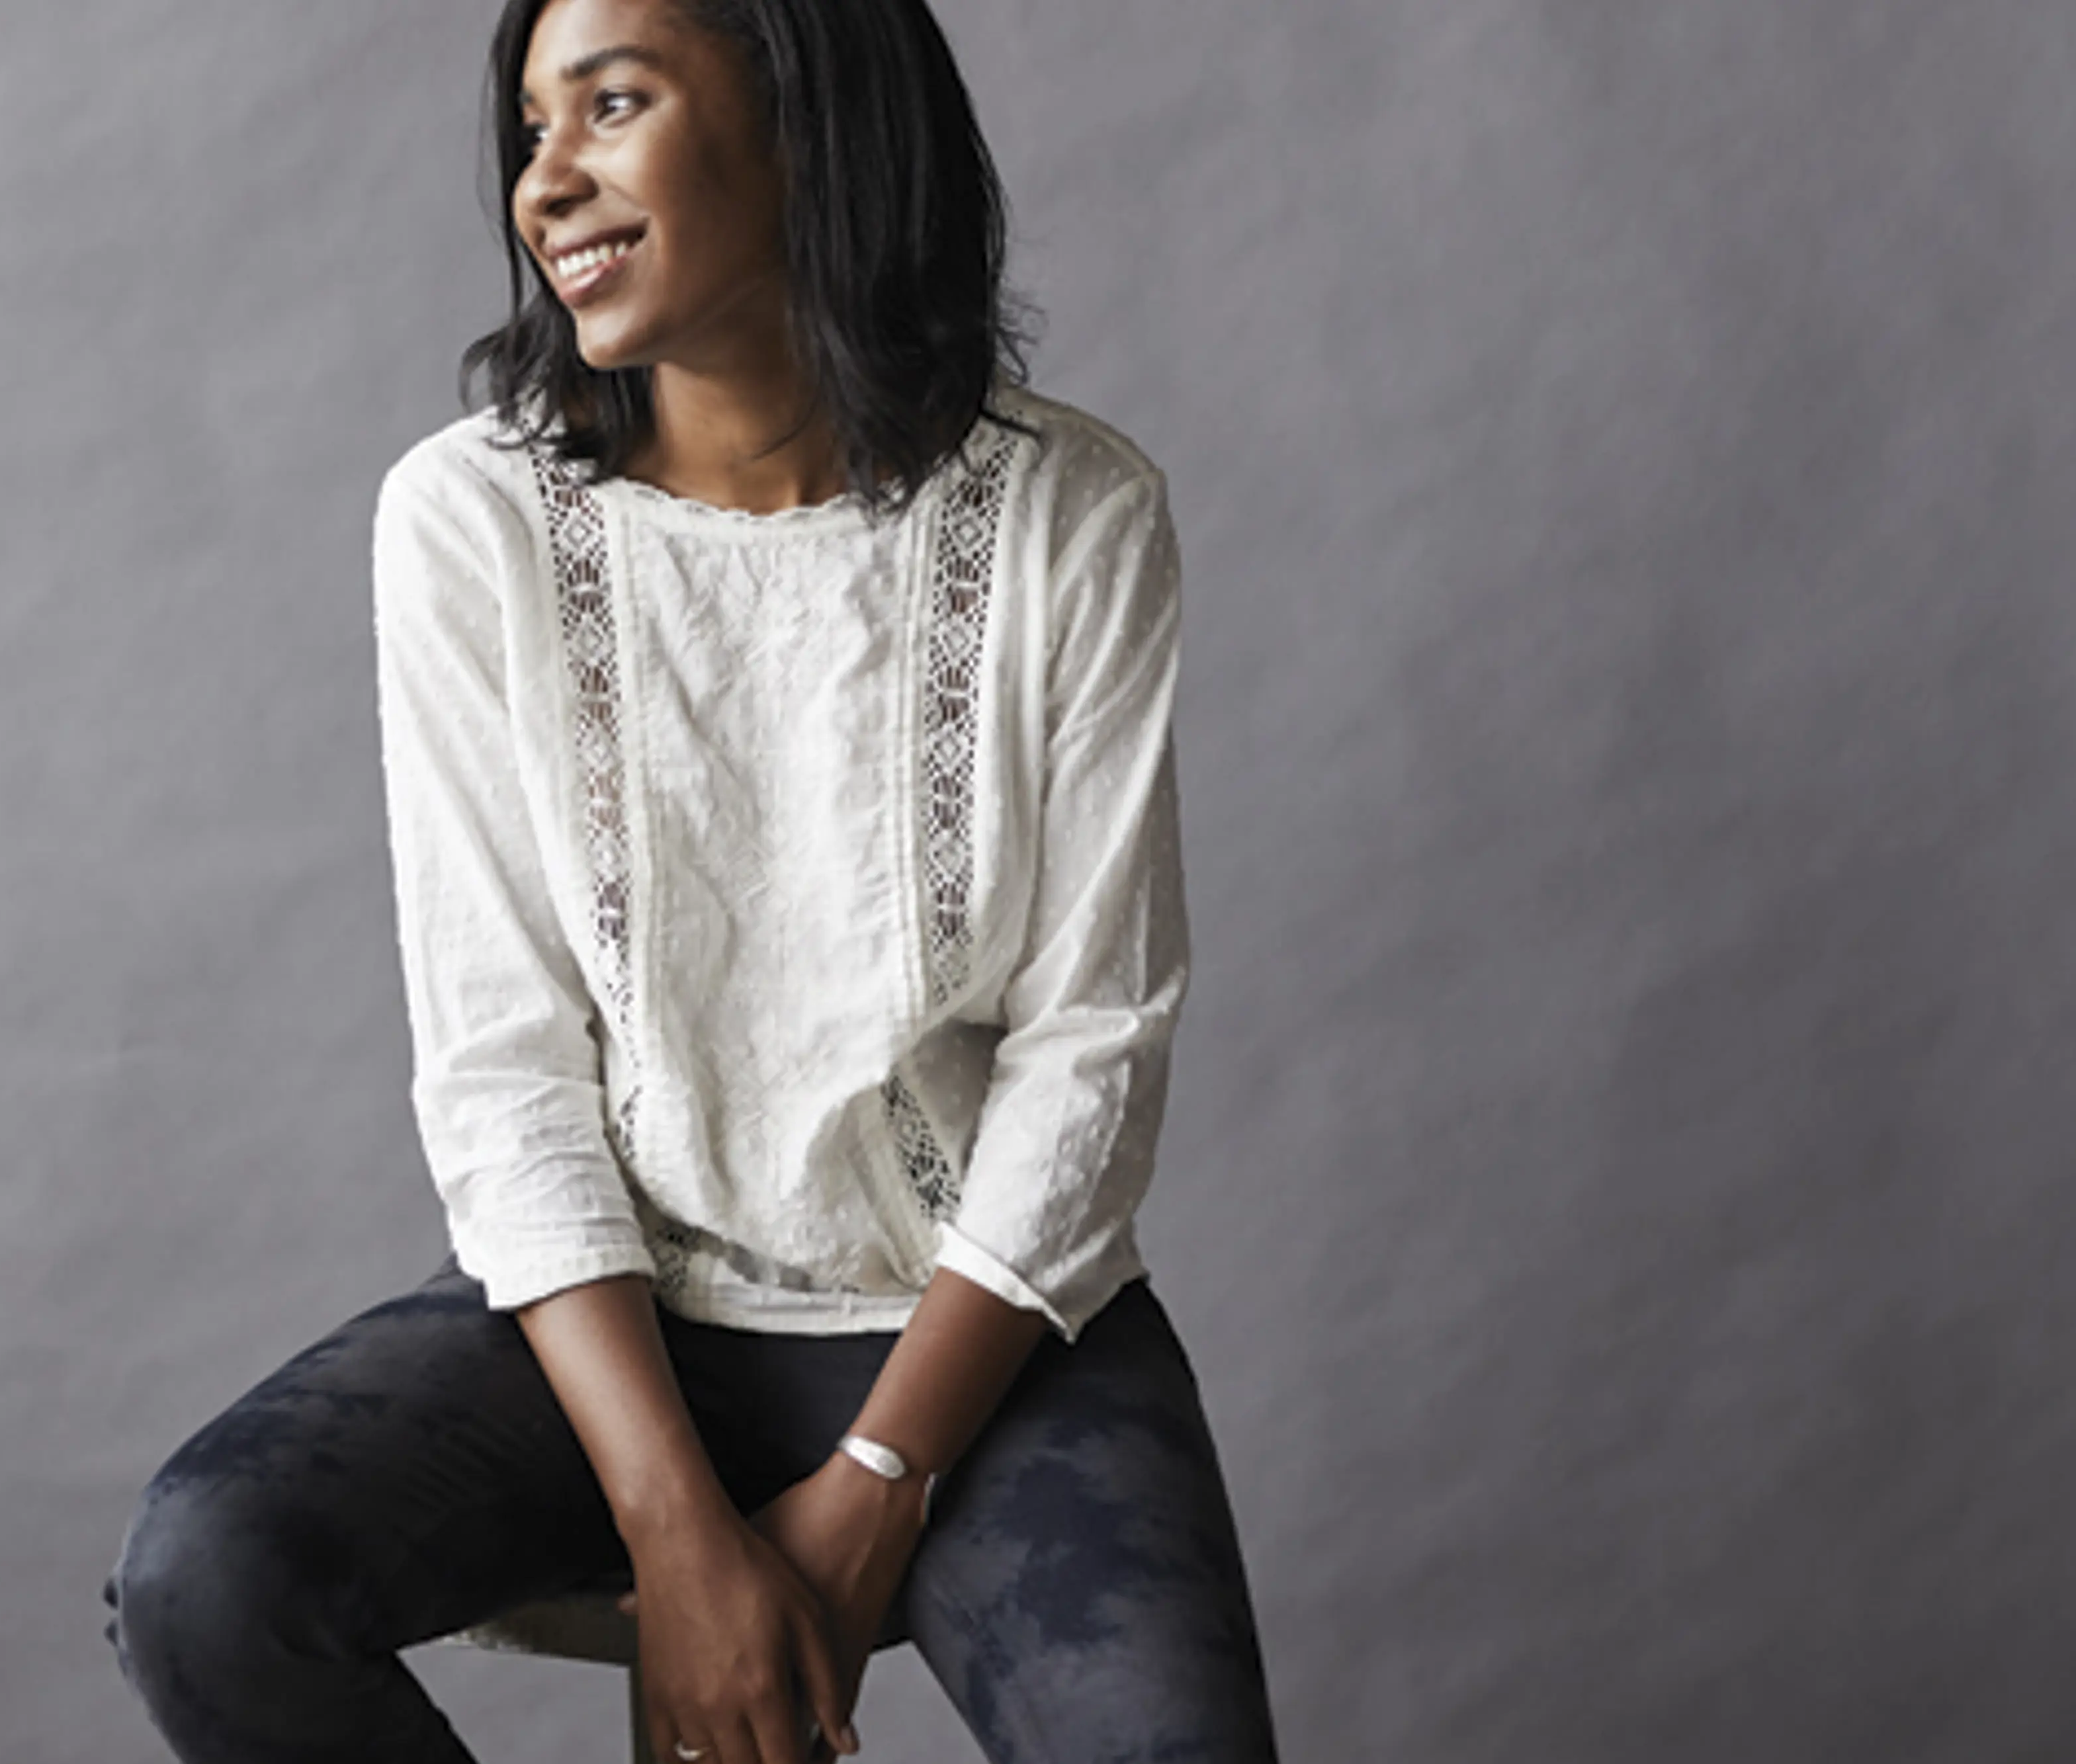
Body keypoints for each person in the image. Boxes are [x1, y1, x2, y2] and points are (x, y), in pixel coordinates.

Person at [101, 1, 1281, 1759]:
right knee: (207, 1575)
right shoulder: (471, 522)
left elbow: (1092, 1041)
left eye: (613, 105)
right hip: (616, 1325)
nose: (543, 182)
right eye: (530, 130)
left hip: (983, 1329)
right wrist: (677, 1532)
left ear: (805, 121)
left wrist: (878, 1478)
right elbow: (503, 1067)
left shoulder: (1073, 515)